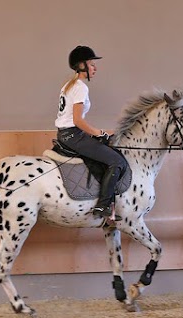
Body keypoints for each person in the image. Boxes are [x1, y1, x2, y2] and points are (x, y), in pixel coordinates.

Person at [55, 45, 127, 219]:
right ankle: (103, 206)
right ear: (82, 66)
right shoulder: (80, 87)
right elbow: (78, 121)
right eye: (92, 64)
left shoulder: (68, 85)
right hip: (73, 135)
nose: (95, 68)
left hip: (65, 134)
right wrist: (99, 133)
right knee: (116, 161)